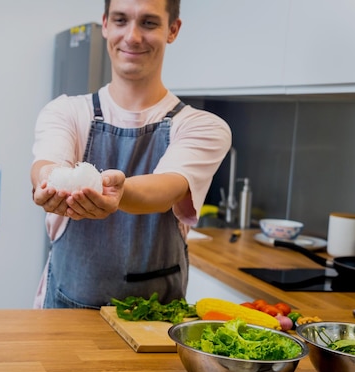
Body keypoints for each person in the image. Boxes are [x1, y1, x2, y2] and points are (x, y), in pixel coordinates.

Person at [30, 0, 231, 309]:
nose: (133, 36)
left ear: (173, 30)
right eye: (121, 20)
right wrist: (48, 180)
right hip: (66, 314)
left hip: (155, 324)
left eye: (149, 23)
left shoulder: (201, 126)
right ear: (106, 24)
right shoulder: (67, 111)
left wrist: (116, 193)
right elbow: (48, 162)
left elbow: (167, 188)